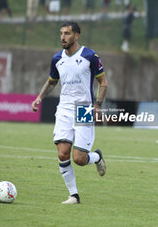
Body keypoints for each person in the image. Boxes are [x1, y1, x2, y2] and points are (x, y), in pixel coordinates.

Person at [32, 21, 108, 204]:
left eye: (67, 33)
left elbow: (103, 82)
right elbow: (52, 82)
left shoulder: (90, 55)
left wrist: (97, 105)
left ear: (76, 35)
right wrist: (39, 97)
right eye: (61, 33)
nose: (62, 37)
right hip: (64, 109)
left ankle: (96, 156)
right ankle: (74, 195)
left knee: (80, 159)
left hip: (84, 109)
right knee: (62, 154)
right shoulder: (57, 58)